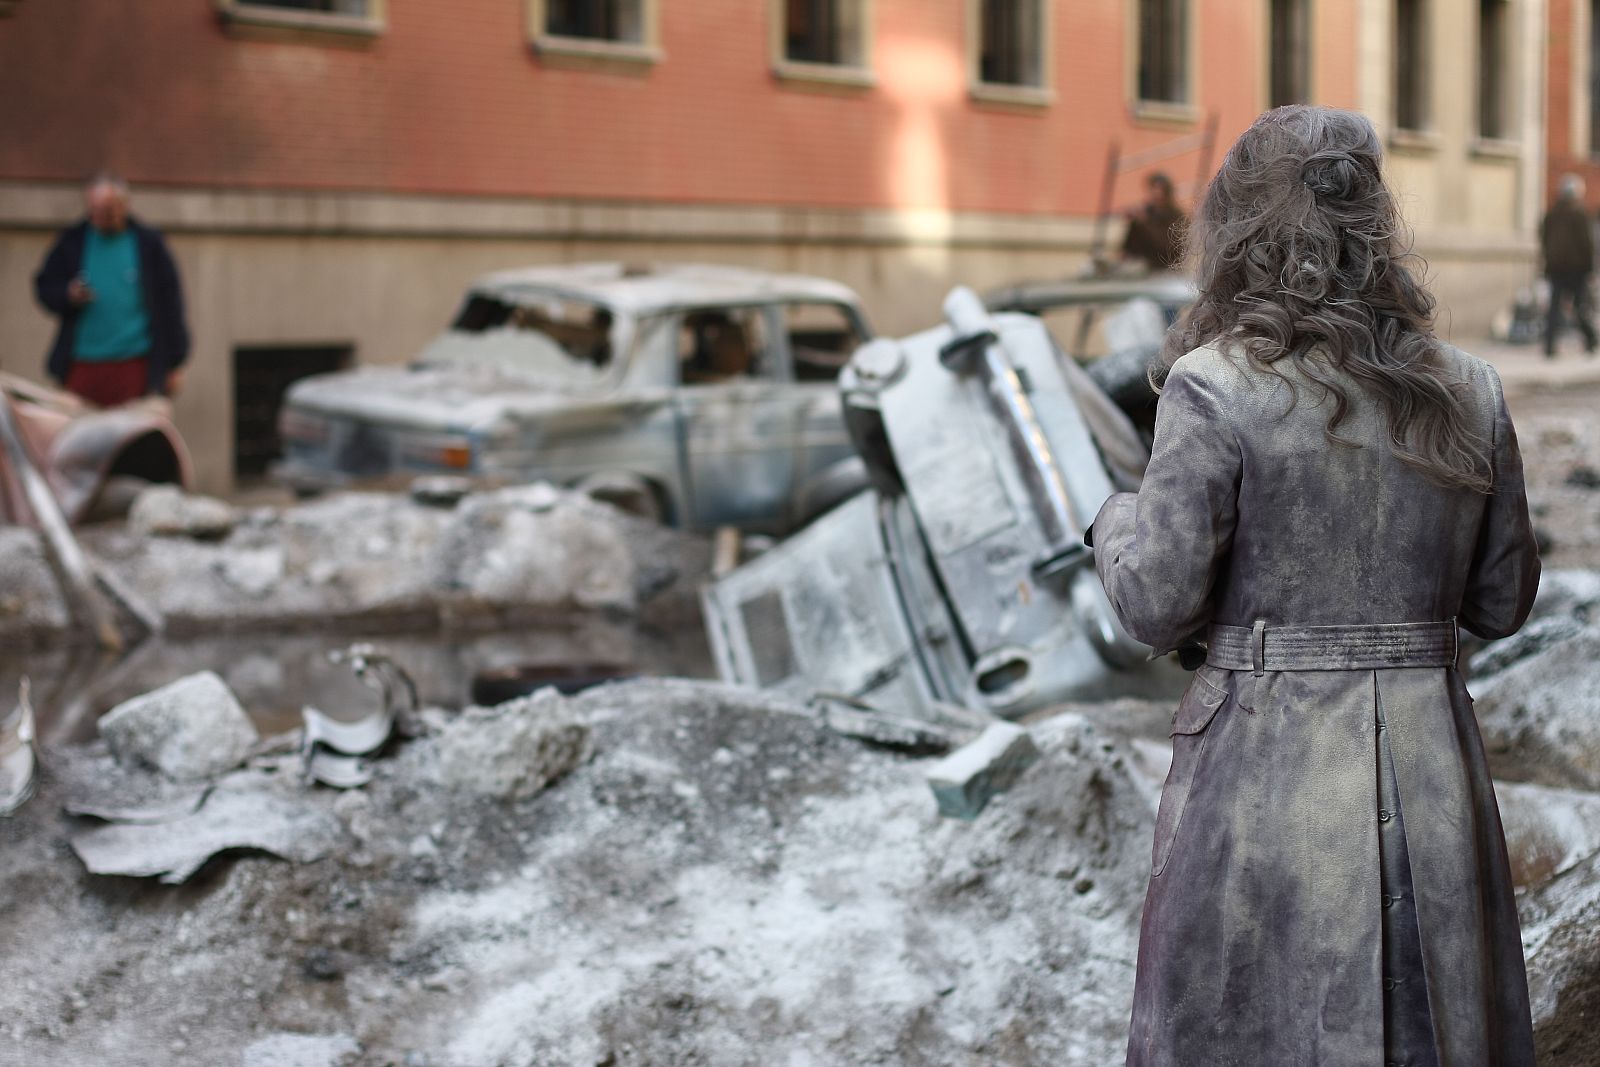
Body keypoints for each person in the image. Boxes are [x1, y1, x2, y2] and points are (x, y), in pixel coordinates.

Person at [1089, 106, 1539, 1066]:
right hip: (1431, 776)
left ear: (1242, 227)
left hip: (1261, 773)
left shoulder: (1214, 385)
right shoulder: (1471, 387)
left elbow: (1151, 604)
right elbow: (1501, 604)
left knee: (1252, 1029)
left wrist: (1108, 522)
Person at [32, 172, 189, 407]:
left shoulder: (149, 244)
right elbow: (44, 286)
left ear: (125, 205)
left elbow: (171, 305)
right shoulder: (73, 240)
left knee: (129, 440)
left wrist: (174, 364)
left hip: (134, 365)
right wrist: (68, 293)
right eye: (96, 211)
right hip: (81, 365)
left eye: (110, 211)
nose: (103, 218)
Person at [1539, 173, 1598, 358]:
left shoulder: (1552, 213)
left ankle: (1549, 347)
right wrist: (1590, 269)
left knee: (1555, 308)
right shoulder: (1579, 213)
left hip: (1557, 267)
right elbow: (1587, 243)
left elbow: (1544, 239)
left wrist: (1547, 261)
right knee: (1580, 307)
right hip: (1576, 269)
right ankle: (1591, 340)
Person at [1120, 171, 1188, 272]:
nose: (1158, 194)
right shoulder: (1145, 212)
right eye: (1154, 189)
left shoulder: (1177, 217)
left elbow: (1168, 247)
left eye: (1162, 190)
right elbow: (1129, 245)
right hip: (1141, 266)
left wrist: (1145, 223)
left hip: (1165, 269)